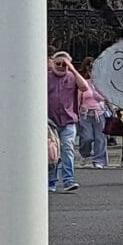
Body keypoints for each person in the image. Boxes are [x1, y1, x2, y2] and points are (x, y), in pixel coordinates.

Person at [46, 50, 84, 192]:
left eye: (64, 64)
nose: (61, 66)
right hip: (50, 121)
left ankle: (68, 179)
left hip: (68, 119)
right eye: (58, 63)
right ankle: (51, 181)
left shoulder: (72, 77)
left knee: (67, 149)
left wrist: (72, 69)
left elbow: (84, 87)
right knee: (52, 151)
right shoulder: (47, 77)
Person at [75, 58, 110, 169]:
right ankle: (84, 152)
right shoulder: (83, 84)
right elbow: (78, 100)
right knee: (87, 138)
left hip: (99, 114)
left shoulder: (102, 84)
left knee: (100, 138)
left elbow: (107, 98)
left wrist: (113, 111)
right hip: (85, 114)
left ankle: (98, 160)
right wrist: (75, 113)